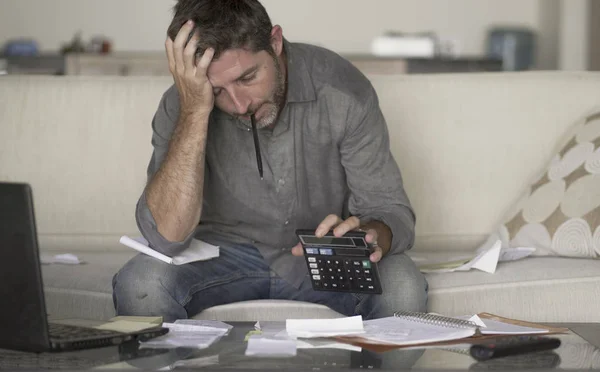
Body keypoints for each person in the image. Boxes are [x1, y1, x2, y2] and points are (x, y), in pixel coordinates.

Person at [112, 0, 428, 322]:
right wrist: (195, 111)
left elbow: (390, 211)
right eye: (217, 90)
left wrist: (370, 234)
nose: (239, 105)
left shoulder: (343, 91)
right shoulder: (181, 105)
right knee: (141, 283)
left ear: (275, 42)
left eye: (247, 77)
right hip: (220, 253)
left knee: (402, 285)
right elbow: (166, 237)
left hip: (324, 253)